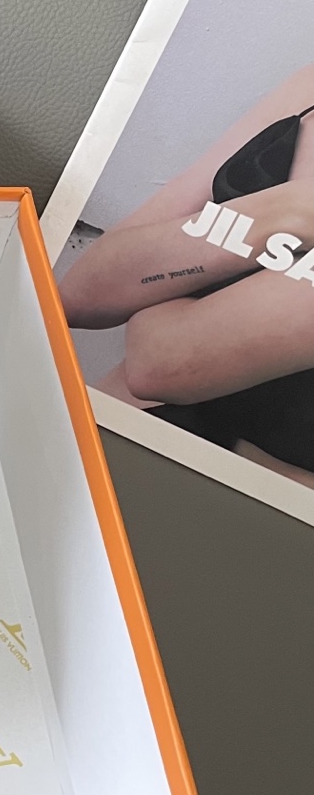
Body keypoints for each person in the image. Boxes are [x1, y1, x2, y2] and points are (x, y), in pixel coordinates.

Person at [59, 63, 314, 486]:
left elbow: (157, 360)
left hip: (223, 506)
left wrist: (169, 272)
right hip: (83, 446)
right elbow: (82, 293)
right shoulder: (309, 88)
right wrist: (289, 212)